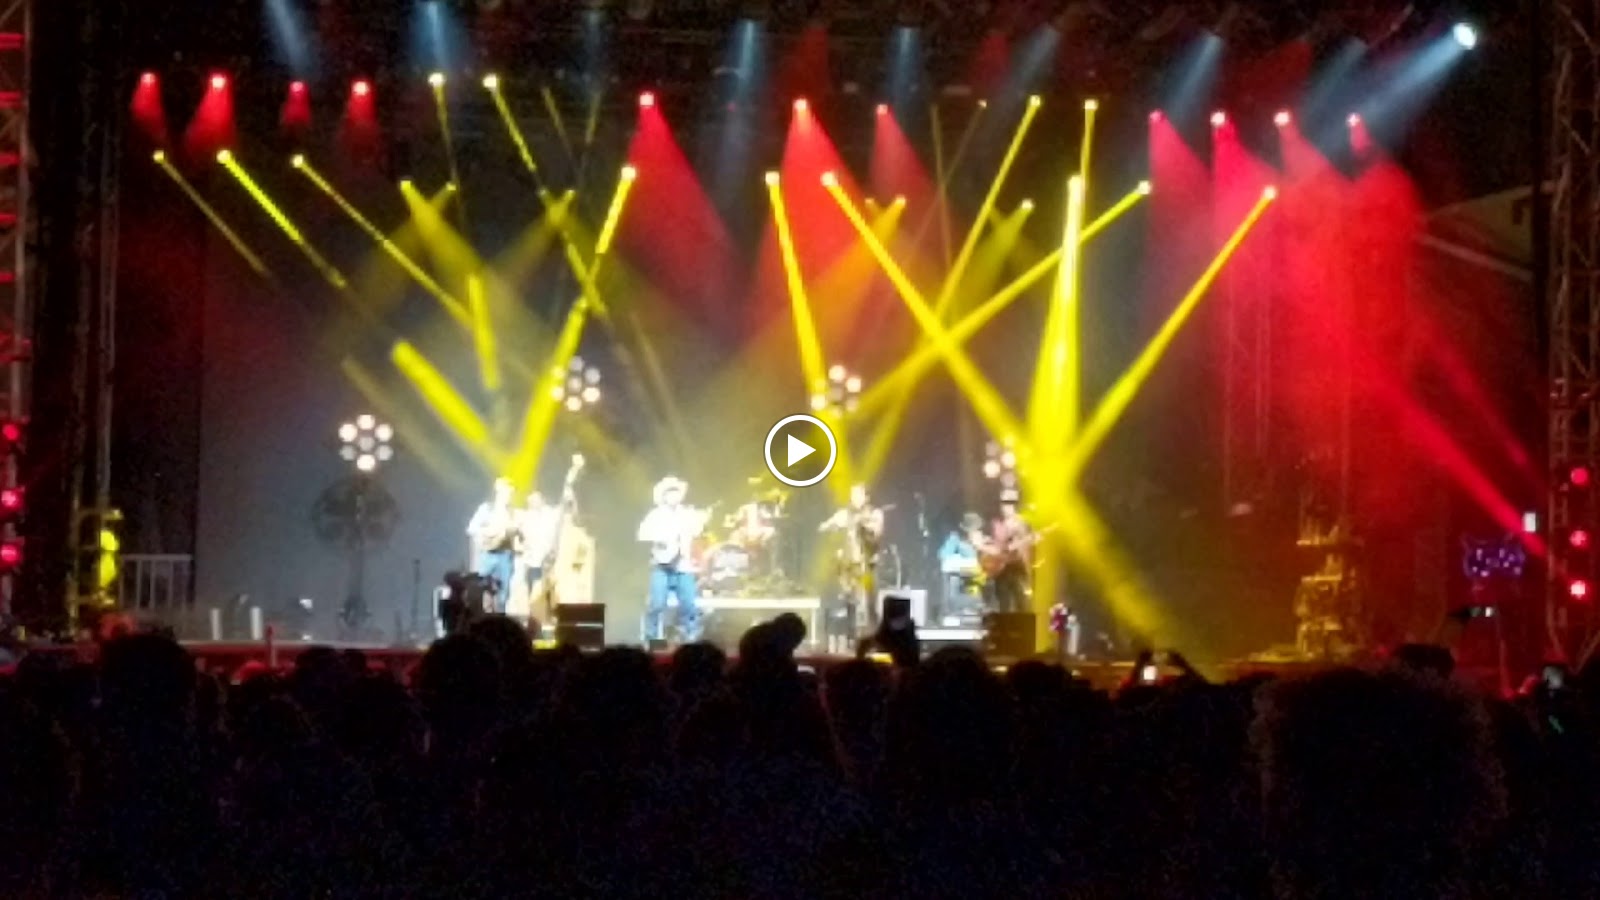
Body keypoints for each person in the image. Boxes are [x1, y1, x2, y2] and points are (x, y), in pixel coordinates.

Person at [638, 476, 710, 644]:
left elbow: (698, 530)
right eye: (670, 492)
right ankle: (652, 639)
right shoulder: (655, 515)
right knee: (657, 604)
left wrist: (701, 519)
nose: (674, 496)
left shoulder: (687, 514)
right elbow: (642, 534)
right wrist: (661, 539)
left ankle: (690, 639)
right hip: (661, 566)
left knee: (689, 605)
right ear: (664, 496)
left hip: (683, 566)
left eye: (676, 492)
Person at [820, 484, 886, 633]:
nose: (854, 499)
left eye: (858, 495)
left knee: (868, 600)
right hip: (849, 564)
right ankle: (850, 631)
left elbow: (877, 533)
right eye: (853, 495)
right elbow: (825, 527)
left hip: (868, 563)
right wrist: (832, 526)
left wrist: (864, 524)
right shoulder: (845, 514)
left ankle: (871, 632)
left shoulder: (875, 513)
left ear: (866, 497)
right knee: (849, 599)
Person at [466, 478, 518, 612]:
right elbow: (472, 528)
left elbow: (516, 532)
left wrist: (514, 532)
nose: (509, 496)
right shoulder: (486, 508)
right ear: (499, 491)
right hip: (488, 554)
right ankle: (480, 616)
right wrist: (488, 533)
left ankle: (500, 617)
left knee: (503, 593)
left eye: (511, 493)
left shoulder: (513, 513)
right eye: (507, 492)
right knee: (481, 588)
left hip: (505, 555)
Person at [987, 492, 1036, 613]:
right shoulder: (996, 523)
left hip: (1017, 569)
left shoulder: (1021, 522)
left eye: (1010, 503)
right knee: (1004, 605)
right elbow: (994, 545)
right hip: (1000, 570)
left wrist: (1026, 541)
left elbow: (1027, 546)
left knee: (1022, 604)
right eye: (1004, 504)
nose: (1006, 507)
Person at [937, 512, 985, 619]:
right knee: (953, 581)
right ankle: (952, 611)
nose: (975, 531)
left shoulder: (980, 539)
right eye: (973, 529)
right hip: (959, 575)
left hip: (977, 577)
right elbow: (943, 555)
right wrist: (961, 561)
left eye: (977, 529)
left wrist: (979, 546)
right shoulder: (956, 538)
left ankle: (975, 607)